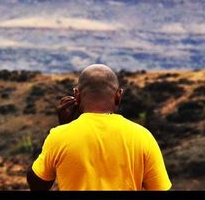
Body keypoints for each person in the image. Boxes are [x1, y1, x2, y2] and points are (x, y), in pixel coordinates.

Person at [26, 64, 172, 191]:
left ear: (77, 95)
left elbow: (37, 186)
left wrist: (64, 127)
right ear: (118, 95)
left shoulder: (59, 136)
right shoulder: (142, 137)